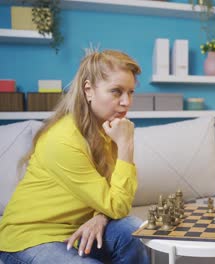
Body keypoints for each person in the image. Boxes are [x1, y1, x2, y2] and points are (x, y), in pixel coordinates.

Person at [0, 50, 150, 264]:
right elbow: (117, 204)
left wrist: (100, 216)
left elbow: (114, 199)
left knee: (133, 232)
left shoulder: (109, 130)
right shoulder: (63, 140)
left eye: (131, 92)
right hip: (30, 238)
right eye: (116, 91)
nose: (127, 102)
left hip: (77, 231)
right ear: (88, 90)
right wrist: (126, 145)